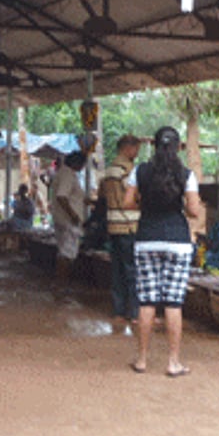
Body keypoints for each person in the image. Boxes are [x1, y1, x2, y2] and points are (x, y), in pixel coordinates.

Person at [122, 126, 204, 377]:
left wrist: (144, 202)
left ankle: (142, 360)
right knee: (173, 302)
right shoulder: (186, 174)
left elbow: (127, 202)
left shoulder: (140, 171)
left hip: (146, 238)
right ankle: (173, 362)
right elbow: (193, 211)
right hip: (177, 242)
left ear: (154, 146)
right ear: (178, 147)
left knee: (146, 302)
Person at [101, 135, 142, 335]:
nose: (137, 153)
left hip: (113, 224)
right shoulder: (127, 170)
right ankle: (134, 312)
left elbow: (102, 195)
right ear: (128, 148)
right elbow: (134, 196)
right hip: (128, 224)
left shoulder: (109, 170)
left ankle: (118, 311)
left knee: (117, 270)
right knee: (132, 271)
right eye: (136, 149)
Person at [51, 151, 88, 284]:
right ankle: (61, 283)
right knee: (66, 254)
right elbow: (62, 196)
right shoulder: (67, 175)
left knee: (64, 252)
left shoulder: (64, 173)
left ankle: (60, 282)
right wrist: (73, 215)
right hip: (68, 221)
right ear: (77, 163)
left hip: (63, 219)